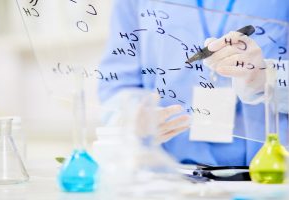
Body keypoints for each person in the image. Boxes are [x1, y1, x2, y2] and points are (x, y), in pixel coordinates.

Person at [98, 0, 289, 166]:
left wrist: (267, 78)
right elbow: (115, 83)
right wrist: (131, 117)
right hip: (164, 175)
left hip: (271, 174)